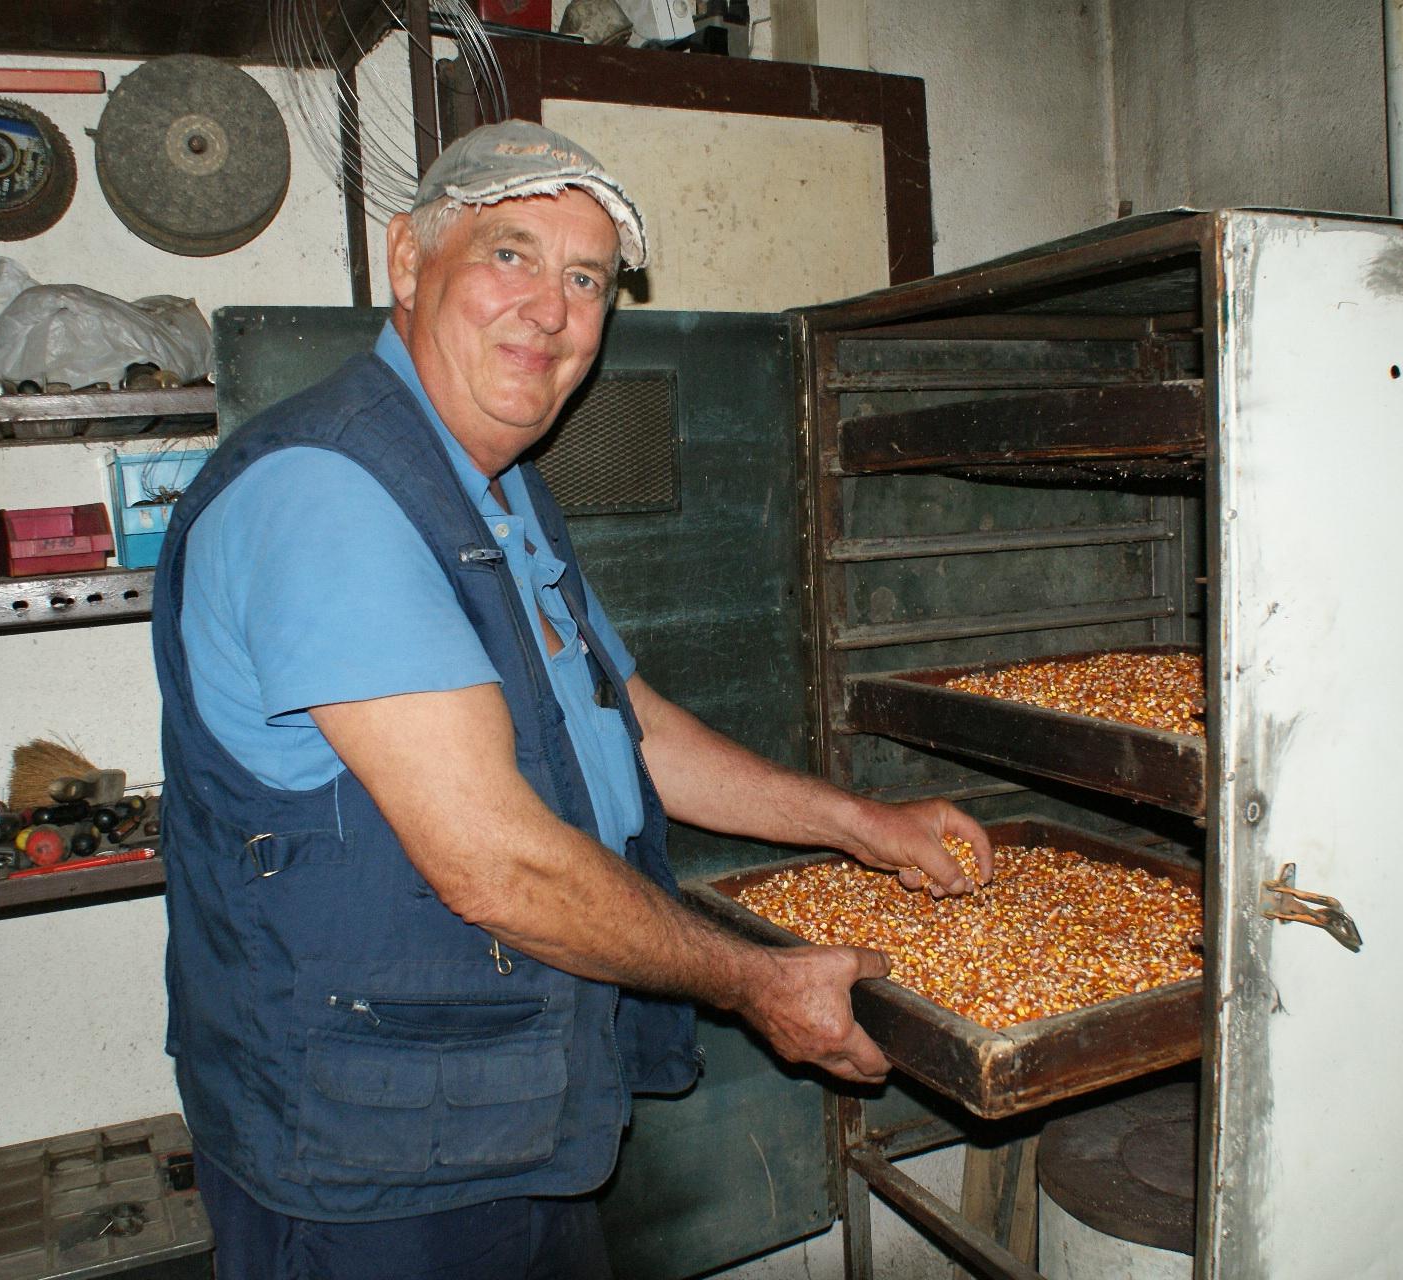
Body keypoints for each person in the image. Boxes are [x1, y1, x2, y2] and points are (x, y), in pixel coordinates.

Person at [150, 120, 993, 1280]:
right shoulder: (328, 496)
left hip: (495, 1113)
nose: (550, 310)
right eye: (510, 253)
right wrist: (757, 981)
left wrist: (860, 824)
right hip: (372, 1159)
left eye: (585, 277)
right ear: (407, 261)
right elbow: (491, 860)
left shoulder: (501, 493)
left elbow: (626, 719)